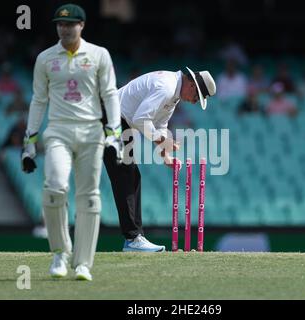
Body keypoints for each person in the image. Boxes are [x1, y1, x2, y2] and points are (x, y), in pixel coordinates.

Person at [21, 4, 122, 281]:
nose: (65, 29)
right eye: (60, 25)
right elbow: (39, 100)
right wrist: (29, 142)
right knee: (54, 187)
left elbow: (110, 94)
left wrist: (114, 135)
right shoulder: (45, 58)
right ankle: (59, 253)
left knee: (89, 196)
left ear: (82, 25)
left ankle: (83, 264)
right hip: (59, 130)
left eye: (70, 24)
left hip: (91, 132)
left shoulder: (99, 55)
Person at [103, 67, 216, 252]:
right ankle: (133, 239)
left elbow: (160, 125)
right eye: (197, 97)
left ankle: (134, 239)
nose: (195, 102)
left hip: (120, 120)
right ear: (191, 84)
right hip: (111, 117)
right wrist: (164, 141)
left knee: (131, 176)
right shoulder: (167, 87)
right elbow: (141, 119)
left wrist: (166, 156)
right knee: (126, 175)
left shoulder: (174, 93)